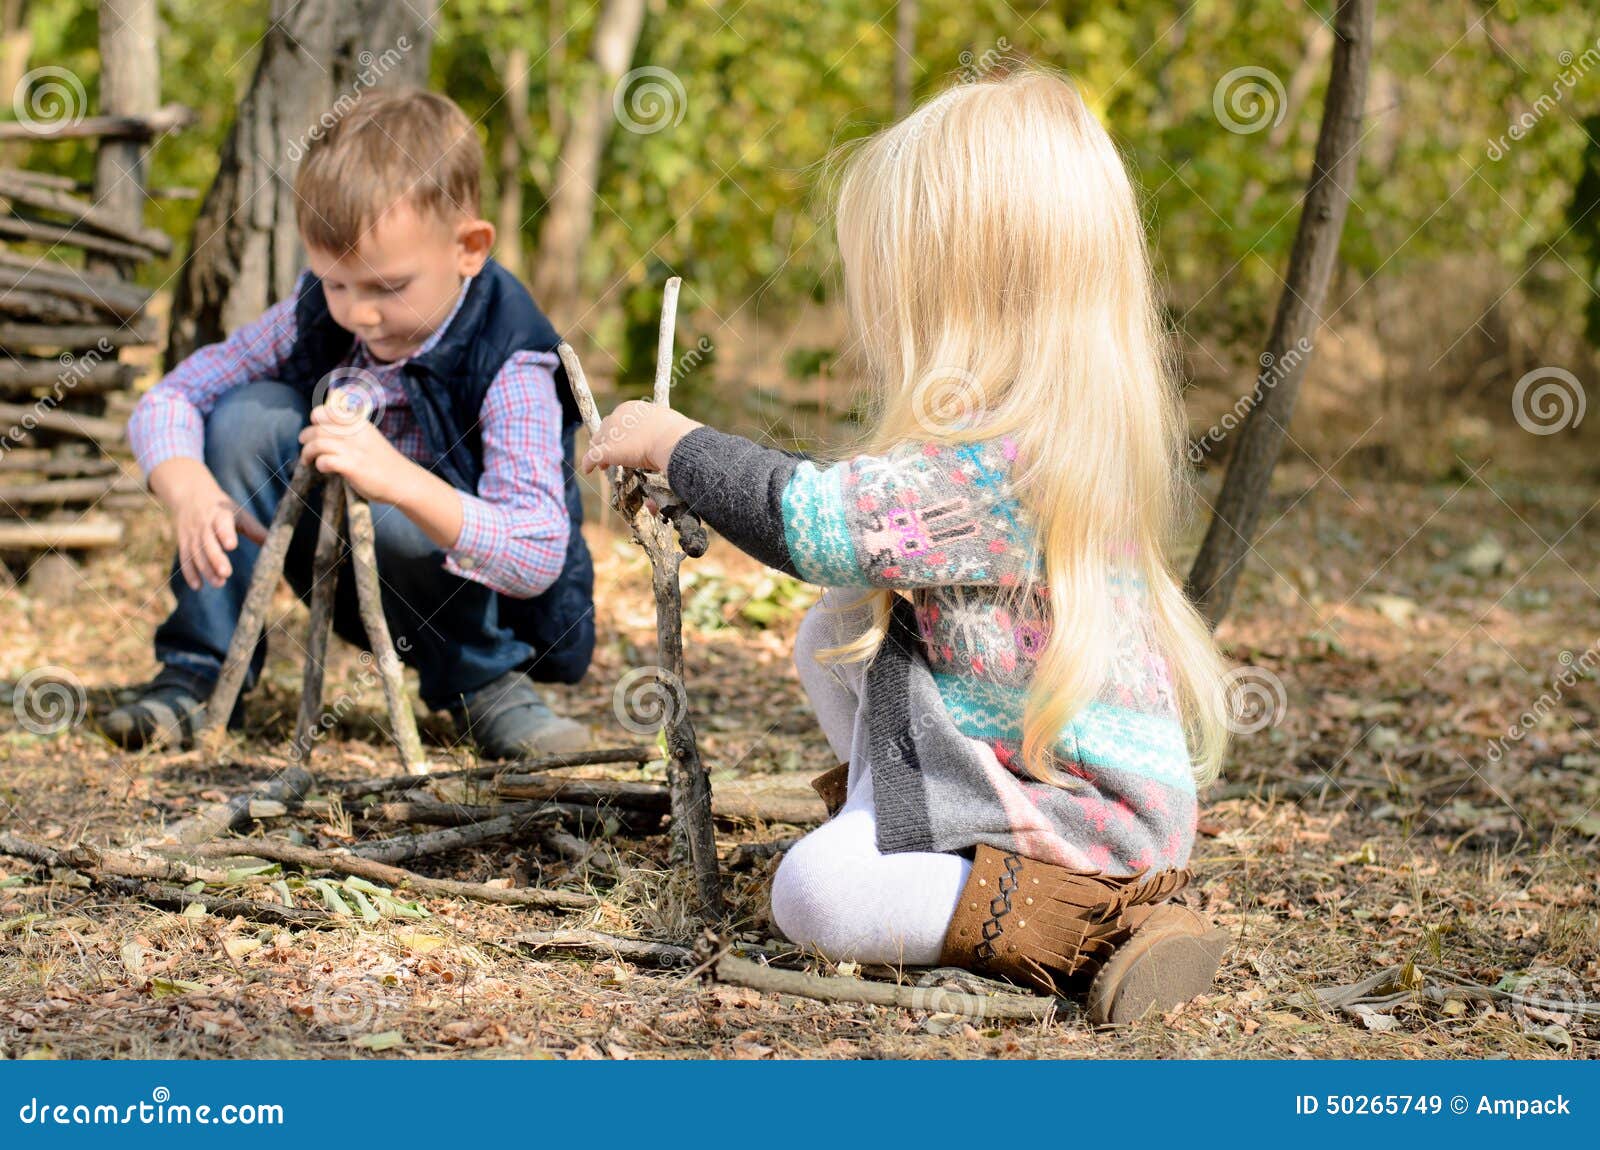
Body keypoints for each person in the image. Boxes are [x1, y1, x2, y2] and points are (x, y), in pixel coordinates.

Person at [582, 69, 1233, 1023]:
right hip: (1017, 767)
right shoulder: (1027, 443)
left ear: (966, 299)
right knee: (835, 630)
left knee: (814, 897)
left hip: (1085, 820)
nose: (876, 321)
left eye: (897, 293)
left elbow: (818, 523)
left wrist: (680, 446)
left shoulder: (1010, 467)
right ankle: (904, 832)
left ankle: (1096, 928)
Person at [104, 88, 595, 759]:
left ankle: (486, 684)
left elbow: (538, 552)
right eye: (336, 284)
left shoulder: (510, 357)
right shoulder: (316, 312)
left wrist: (399, 480)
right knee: (245, 417)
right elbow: (174, 394)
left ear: (469, 248)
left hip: (464, 597)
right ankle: (198, 674)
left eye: (387, 288)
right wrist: (184, 482)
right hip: (349, 570)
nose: (358, 314)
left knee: (418, 507)